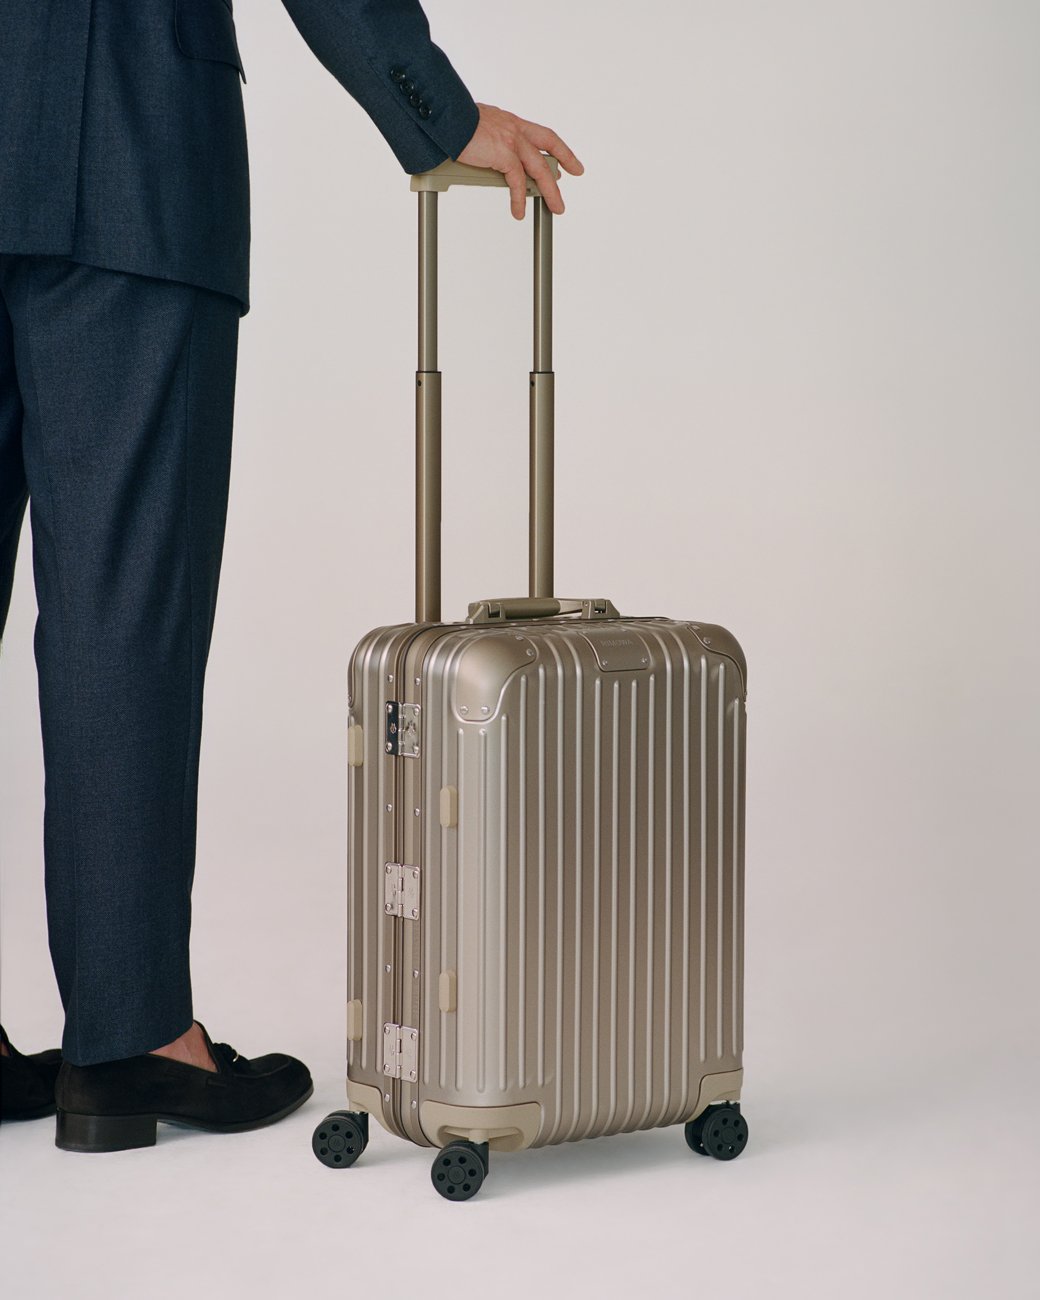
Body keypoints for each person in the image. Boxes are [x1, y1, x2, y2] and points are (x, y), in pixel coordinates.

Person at [0, 0, 582, 1150]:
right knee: (121, 613)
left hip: (100, 146)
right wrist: (427, 103)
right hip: (117, 157)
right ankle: (129, 1039)